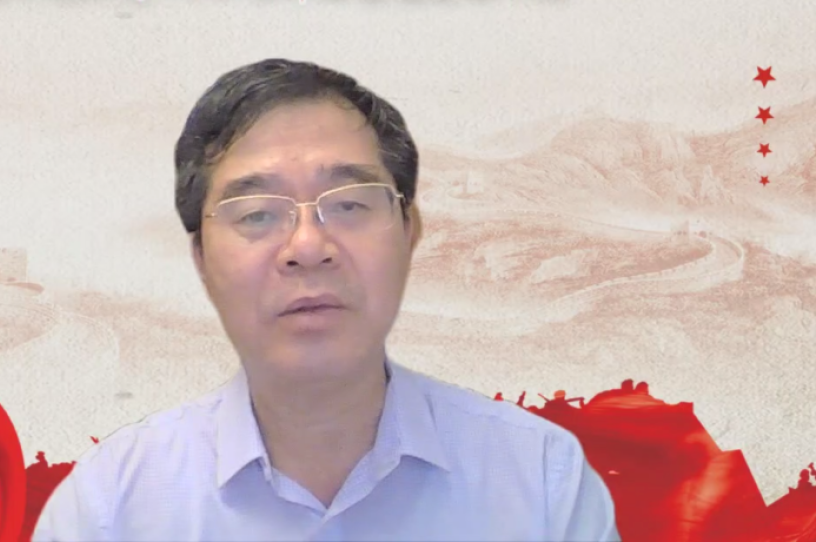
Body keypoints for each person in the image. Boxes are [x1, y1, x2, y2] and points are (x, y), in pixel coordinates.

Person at [33, 59, 620, 541]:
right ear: (201, 260)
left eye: (349, 204)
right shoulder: (111, 505)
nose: (308, 247)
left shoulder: (541, 482)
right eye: (256, 214)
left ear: (409, 232)